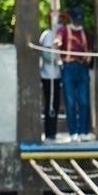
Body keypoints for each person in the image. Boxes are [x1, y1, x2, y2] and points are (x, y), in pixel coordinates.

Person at [55, 4, 94, 142]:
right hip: (68, 67)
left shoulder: (85, 33)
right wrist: (57, 45)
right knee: (70, 101)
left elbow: (89, 49)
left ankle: (83, 131)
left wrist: (89, 57)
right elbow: (57, 42)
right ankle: (73, 133)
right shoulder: (64, 31)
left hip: (82, 67)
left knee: (84, 101)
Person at [38, 13, 63, 142]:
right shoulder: (48, 35)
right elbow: (47, 55)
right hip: (48, 75)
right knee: (50, 104)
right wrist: (58, 60)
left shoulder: (58, 35)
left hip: (56, 75)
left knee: (55, 104)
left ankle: (52, 132)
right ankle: (49, 133)